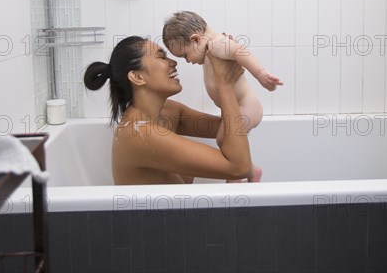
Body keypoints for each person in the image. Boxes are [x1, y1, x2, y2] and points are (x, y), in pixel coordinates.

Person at [83, 36, 253, 185]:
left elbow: (230, 129)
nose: (173, 62)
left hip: (177, 217)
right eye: (162, 56)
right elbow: (239, 167)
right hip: (156, 222)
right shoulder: (139, 134)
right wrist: (225, 85)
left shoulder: (168, 112)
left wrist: (216, 64)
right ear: (137, 77)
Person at [162, 11, 284, 182]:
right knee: (223, 140)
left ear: (196, 39)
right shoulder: (209, 48)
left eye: (185, 55)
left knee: (226, 141)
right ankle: (251, 171)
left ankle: (236, 178)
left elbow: (241, 52)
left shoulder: (217, 44)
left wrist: (260, 74)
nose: (187, 61)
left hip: (247, 107)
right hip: (239, 107)